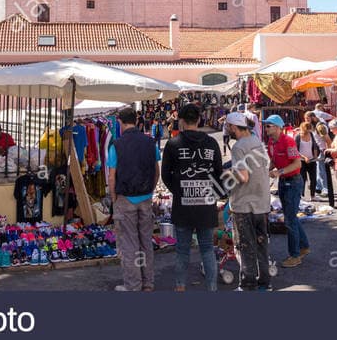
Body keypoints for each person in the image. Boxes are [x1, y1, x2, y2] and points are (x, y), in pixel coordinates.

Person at [161, 104, 223, 292]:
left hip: (183, 206)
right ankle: (212, 288)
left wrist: (179, 190)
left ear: (180, 120)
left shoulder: (173, 144)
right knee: (207, 249)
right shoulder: (211, 143)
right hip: (206, 205)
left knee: (182, 249)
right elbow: (219, 174)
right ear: (199, 120)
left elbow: (166, 175)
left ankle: (180, 287)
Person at [108, 107, 159, 292]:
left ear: (121, 122)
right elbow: (156, 171)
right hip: (145, 197)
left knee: (129, 244)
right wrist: (151, 190)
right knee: (146, 240)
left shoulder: (117, 145)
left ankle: (133, 285)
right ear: (136, 121)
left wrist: (113, 197)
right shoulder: (150, 142)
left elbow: (112, 176)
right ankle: (147, 283)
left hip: (125, 198)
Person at [228, 112, 272, 290]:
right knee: (261, 243)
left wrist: (228, 175)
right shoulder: (257, 142)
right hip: (262, 201)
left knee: (245, 245)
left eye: (227, 127)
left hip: (244, 203)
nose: (227, 130)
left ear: (233, 127)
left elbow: (243, 176)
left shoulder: (238, 147)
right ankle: (265, 281)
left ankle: (248, 283)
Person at [268, 115, 309, 268]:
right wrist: (269, 169)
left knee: (290, 220)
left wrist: (279, 171)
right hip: (284, 181)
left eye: (269, 126)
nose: (266, 129)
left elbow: (297, 163)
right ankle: (304, 246)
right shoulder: (272, 142)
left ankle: (295, 255)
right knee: (290, 217)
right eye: (266, 126)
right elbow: (273, 159)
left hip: (293, 181)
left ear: (278, 127)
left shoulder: (288, 141)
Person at [297, 122, 319, 202]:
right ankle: (301, 195)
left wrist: (315, 156)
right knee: (302, 179)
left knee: (313, 179)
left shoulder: (312, 135)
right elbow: (295, 150)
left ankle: (312, 195)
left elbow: (315, 146)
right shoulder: (298, 136)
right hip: (302, 161)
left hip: (312, 160)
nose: (308, 131)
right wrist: (304, 157)